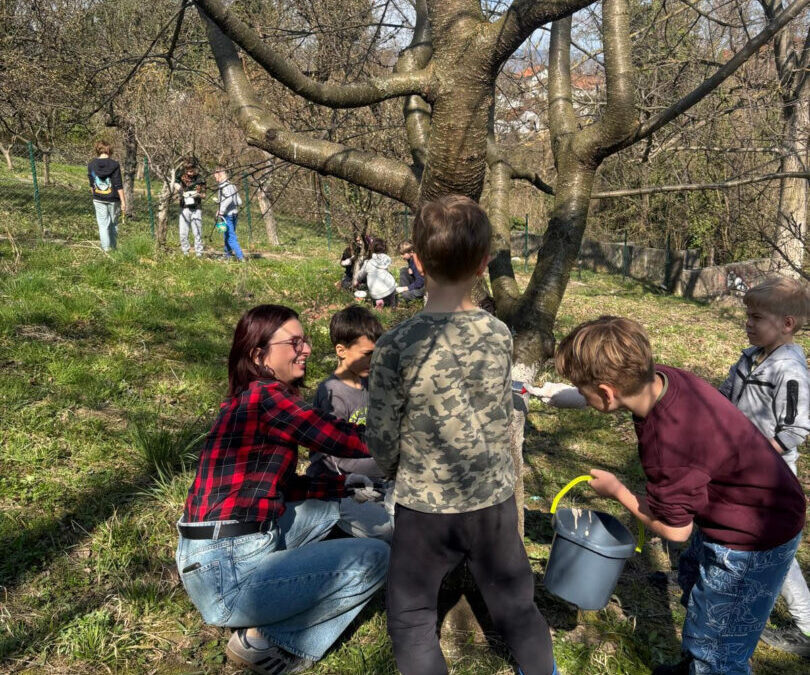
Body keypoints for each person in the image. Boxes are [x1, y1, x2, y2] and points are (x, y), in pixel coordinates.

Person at [367, 195, 558, 675]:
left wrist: (390, 470)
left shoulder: (394, 345)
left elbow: (382, 435)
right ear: (483, 264)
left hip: (423, 508)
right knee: (518, 608)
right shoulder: (498, 334)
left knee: (411, 617)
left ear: (416, 260)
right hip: (492, 502)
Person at [555, 315, 807, 675]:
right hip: (739, 506)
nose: (582, 395)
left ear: (608, 393)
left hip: (755, 536)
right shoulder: (666, 379)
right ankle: (693, 663)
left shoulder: (668, 446)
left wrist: (618, 491)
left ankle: (707, 665)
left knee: (719, 648)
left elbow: (676, 531)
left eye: (583, 390)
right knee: (697, 589)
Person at [176, 305, 390, 675]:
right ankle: (267, 640)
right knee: (375, 558)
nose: (306, 349)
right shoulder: (267, 398)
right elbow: (336, 435)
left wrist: (343, 486)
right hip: (227, 575)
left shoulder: (248, 401)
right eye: (294, 342)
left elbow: (281, 488)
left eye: (305, 340)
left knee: (331, 507)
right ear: (259, 355)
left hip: (214, 556)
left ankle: (307, 576)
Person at [717, 276, 810, 657]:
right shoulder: (750, 357)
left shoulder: (790, 371)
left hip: (770, 479)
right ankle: (721, 590)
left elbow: (795, 430)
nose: (748, 323)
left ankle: (806, 625)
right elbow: (723, 400)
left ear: (787, 324)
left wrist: (756, 459)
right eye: (748, 315)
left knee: (775, 551)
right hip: (737, 469)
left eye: (756, 317)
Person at [309, 305, 385, 480]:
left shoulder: (368, 381)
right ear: (341, 351)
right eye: (367, 354)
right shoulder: (332, 394)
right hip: (333, 482)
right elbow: (335, 460)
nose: (374, 360)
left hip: (367, 473)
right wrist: (387, 466)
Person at [88, 140, 126, 251]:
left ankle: (106, 250)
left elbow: (92, 183)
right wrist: (123, 201)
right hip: (113, 199)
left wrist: (95, 195)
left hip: (98, 198)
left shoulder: (91, 165)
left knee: (102, 225)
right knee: (113, 224)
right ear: (109, 150)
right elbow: (118, 184)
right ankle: (113, 248)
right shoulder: (115, 165)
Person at [213, 166, 245, 262]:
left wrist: (221, 211)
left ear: (220, 175)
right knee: (226, 235)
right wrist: (219, 201)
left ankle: (241, 257)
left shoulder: (223, 186)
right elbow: (239, 201)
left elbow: (229, 199)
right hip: (235, 213)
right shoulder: (232, 185)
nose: (215, 179)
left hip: (227, 215)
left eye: (215, 176)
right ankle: (227, 255)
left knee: (231, 237)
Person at [174, 162, 206, 258]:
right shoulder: (181, 176)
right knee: (183, 232)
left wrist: (197, 194)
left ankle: (199, 254)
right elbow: (174, 182)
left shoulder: (200, 179)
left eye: (192, 170)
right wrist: (179, 188)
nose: (190, 172)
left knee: (197, 232)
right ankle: (185, 253)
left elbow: (204, 195)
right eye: (188, 170)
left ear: (195, 169)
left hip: (196, 208)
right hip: (184, 207)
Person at [356, 239, 397, 308]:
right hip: (389, 289)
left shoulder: (368, 263)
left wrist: (357, 280)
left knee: (373, 288)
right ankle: (392, 304)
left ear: (372, 249)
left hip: (376, 293)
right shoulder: (387, 260)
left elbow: (360, 276)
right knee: (390, 278)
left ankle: (379, 301)